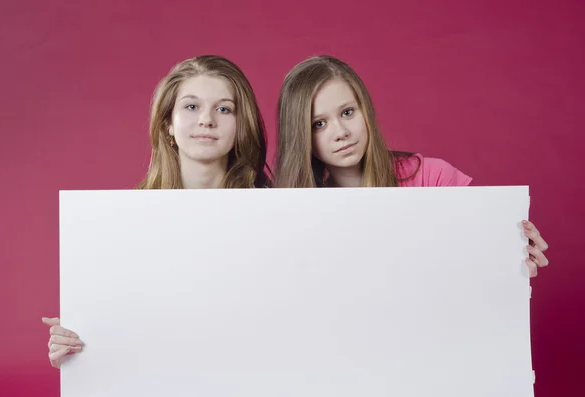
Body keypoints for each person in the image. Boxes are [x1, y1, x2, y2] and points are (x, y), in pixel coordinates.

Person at [42, 54, 273, 368]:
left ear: (240, 125)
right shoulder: (121, 222)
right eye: (192, 106)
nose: (207, 119)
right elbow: (121, 326)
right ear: (168, 124)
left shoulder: (275, 216)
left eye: (224, 108)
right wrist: (76, 348)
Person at [274, 54, 549, 273]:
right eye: (319, 124)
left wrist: (514, 254)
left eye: (348, 112)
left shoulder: (433, 178)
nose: (340, 131)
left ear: (365, 109)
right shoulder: (295, 215)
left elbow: (481, 262)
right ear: (301, 136)